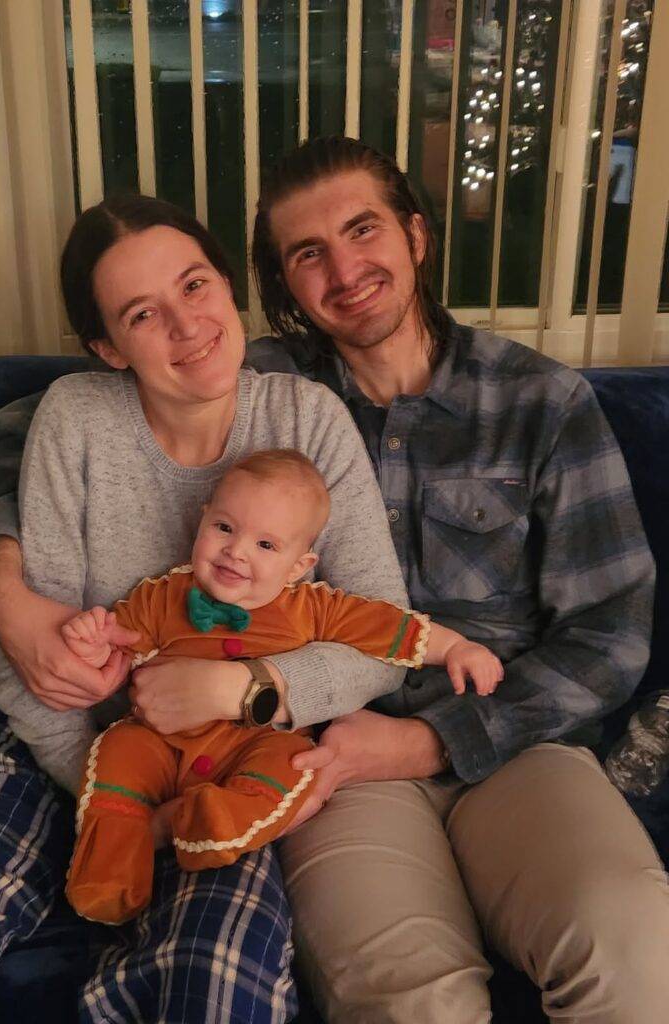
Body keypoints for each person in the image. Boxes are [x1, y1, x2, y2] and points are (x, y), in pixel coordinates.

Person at [0, 193, 413, 1024]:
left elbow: (384, 635)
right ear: (107, 346)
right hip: (49, 734)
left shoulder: (307, 421)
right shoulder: (74, 419)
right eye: (143, 314)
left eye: (196, 285)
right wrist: (119, 806)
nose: (187, 326)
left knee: (215, 982)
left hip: (227, 756)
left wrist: (251, 694)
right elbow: (39, 665)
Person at [246, 136, 669, 1023]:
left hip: (522, 747)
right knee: (411, 1002)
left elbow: (611, 629)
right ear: (286, 282)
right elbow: (34, 426)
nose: (346, 268)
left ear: (415, 235)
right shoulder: (261, 397)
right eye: (308, 253)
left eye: (363, 230)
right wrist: (10, 582)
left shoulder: (541, 402)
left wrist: (434, 742)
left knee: (634, 945)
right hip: (341, 759)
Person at [53, 449, 501, 922]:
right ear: (202, 522)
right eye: (224, 528)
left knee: (293, 766)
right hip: (161, 739)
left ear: (298, 565)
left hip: (253, 744)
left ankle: (210, 823)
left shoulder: (312, 607)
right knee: (121, 753)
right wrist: (94, 641)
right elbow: (121, 642)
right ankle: (110, 874)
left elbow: (391, 629)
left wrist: (455, 649)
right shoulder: (164, 594)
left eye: (266, 546)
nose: (236, 551)